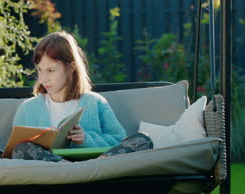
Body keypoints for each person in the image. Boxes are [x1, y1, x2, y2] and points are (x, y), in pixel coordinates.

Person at [12, 31, 152, 161]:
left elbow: (118, 141)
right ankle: (68, 170)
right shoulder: (27, 108)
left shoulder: (95, 102)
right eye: (40, 70)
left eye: (51, 70)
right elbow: (15, 152)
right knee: (20, 148)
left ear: (71, 68)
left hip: (94, 165)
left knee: (142, 140)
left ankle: (93, 168)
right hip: (52, 169)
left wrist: (85, 139)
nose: (43, 78)